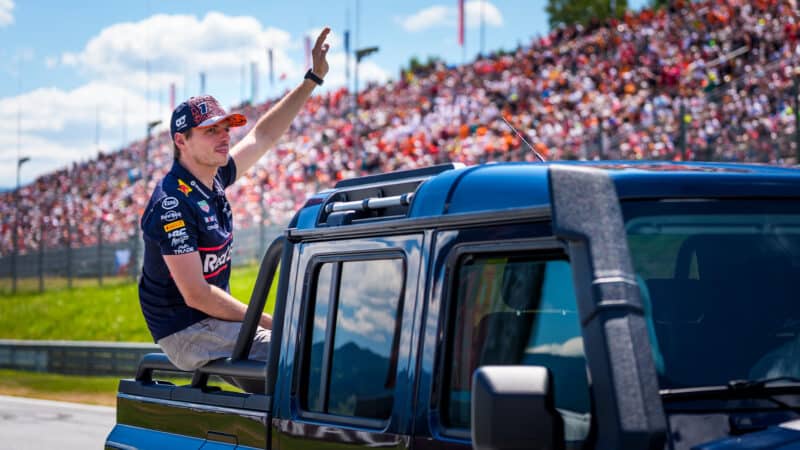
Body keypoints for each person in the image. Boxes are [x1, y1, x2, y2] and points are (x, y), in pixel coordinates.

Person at [138, 28, 331, 387]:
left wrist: (312, 79)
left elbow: (263, 135)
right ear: (181, 141)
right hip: (188, 329)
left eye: (225, 127)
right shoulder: (171, 204)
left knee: (307, 352)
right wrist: (269, 320)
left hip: (214, 320)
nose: (225, 136)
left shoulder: (212, 177)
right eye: (211, 131)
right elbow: (196, 295)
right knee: (298, 352)